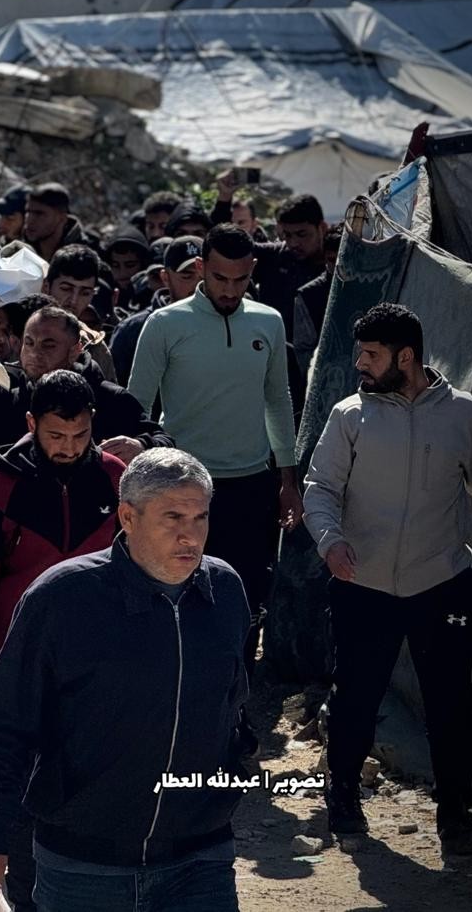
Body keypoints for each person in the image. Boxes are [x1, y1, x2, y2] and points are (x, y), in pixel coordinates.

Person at [0, 448, 250, 911]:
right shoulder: (62, 598)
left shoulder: (226, 592)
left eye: (200, 518)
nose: (190, 535)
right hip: (83, 864)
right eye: (173, 517)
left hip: (200, 855)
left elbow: (232, 708)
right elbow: (4, 723)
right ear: (128, 517)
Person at [303, 303, 472, 854]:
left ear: (405, 357)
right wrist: (331, 541)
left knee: (451, 706)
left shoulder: (466, 415)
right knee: (356, 697)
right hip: (362, 584)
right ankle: (342, 799)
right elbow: (320, 487)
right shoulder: (348, 416)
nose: (359, 363)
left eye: (371, 354)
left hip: (443, 583)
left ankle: (455, 819)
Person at [0, 370, 124, 906]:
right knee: (24, 824)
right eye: (55, 436)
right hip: (21, 677)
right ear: (31, 424)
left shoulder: (118, 480)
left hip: (104, 678)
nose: (68, 447)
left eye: (80, 435)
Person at [128, 224, 301, 687]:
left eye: (240, 280)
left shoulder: (268, 321)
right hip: (179, 490)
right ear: (202, 268)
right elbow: (135, 407)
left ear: (253, 271)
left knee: (243, 601)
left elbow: (277, 399)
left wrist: (288, 479)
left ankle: (234, 703)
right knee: (176, 593)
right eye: (220, 278)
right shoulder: (165, 324)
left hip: (251, 486)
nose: (229, 290)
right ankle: (175, 695)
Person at [16, 306, 174, 463]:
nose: (34, 353)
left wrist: (141, 446)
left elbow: (165, 443)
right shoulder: (11, 395)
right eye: (29, 343)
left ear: (75, 350)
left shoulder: (109, 398)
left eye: (48, 345)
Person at [214, 174, 326, 337]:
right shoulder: (273, 257)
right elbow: (224, 243)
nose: (294, 243)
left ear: (322, 228)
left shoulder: (339, 266)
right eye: (287, 235)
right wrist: (224, 198)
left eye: (302, 234)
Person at [110, 236, 204, 385]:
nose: (197, 286)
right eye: (187, 276)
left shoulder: (226, 323)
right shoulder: (133, 330)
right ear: (165, 277)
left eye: (204, 278)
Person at [43, 247, 116, 380]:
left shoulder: (94, 346)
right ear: (46, 287)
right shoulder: (19, 333)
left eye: (85, 293)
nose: (74, 300)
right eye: (66, 289)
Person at [292, 222, 340, 377]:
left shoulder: (367, 286)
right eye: (332, 260)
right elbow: (304, 349)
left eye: (343, 260)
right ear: (325, 258)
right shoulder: (309, 294)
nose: (338, 266)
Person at [23, 184, 87, 259]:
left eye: (39, 213)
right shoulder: (20, 251)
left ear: (62, 217)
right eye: (28, 212)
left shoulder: (86, 255)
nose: (29, 219)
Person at [102, 226, 151, 314]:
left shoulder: (153, 296)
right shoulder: (104, 295)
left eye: (130, 265)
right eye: (115, 265)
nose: (122, 272)